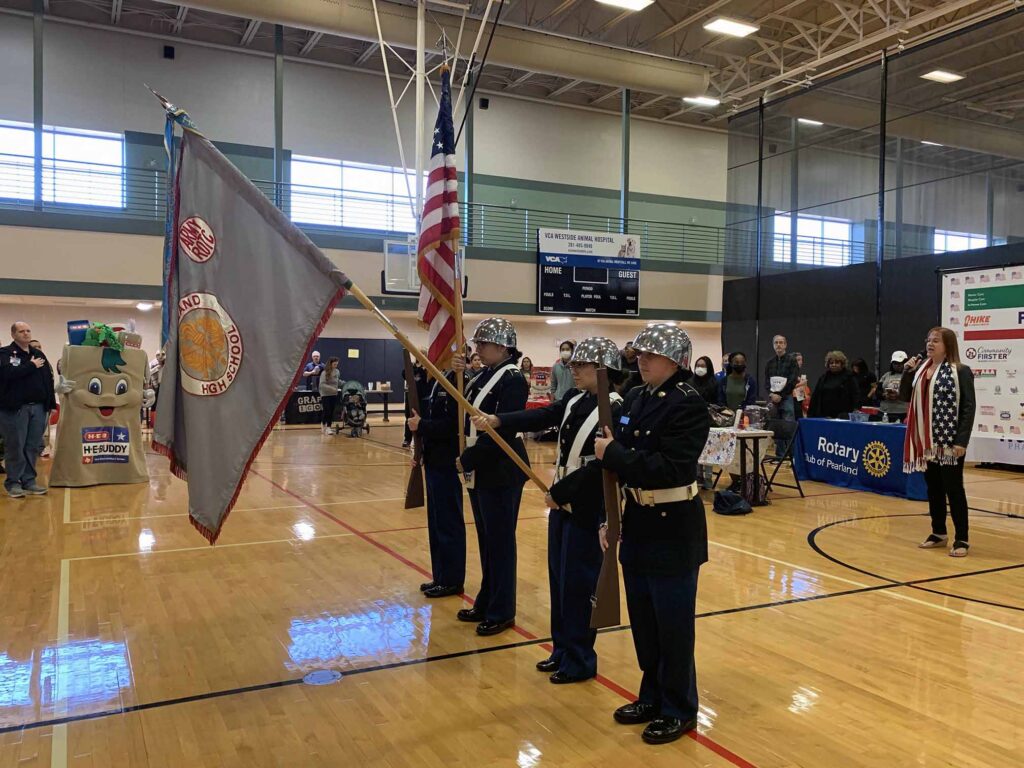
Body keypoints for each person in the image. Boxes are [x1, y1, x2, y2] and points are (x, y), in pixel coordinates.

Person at [475, 337, 626, 684]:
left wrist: (560, 492)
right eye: (572, 365)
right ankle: (561, 649)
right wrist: (500, 419)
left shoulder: (614, 407)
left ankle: (580, 658)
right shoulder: (575, 399)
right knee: (559, 581)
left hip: (588, 507)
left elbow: (601, 467)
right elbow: (544, 415)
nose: (572, 370)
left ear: (603, 369)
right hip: (562, 506)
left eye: (580, 366)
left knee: (579, 585)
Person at [594, 324, 710, 745]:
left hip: (673, 528)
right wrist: (612, 519)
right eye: (639, 353)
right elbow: (618, 464)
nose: (641, 360)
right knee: (644, 623)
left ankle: (679, 707)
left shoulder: (688, 403)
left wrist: (617, 454)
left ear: (676, 360)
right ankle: (652, 695)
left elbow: (670, 467)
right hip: (638, 524)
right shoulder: (639, 398)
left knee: (673, 626)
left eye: (651, 354)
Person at [454, 318, 530, 636]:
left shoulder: (512, 379)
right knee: (487, 541)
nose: (478, 349)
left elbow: (504, 429)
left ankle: (502, 609)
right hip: (482, 469)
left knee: (499, 542)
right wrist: (459, 373)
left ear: (502, 347)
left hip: (501, 469)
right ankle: (487, 599)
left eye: (483, 344)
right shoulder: (486, 374)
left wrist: (467, 459)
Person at [901, 328, 976, 557]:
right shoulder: (921, 370)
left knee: (954, 489)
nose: (930, 344)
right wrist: (907, 372)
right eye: (928, 340)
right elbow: (906, 395)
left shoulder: (961, 371)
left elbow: (968, 407)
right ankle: (938, 532)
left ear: (948, 345)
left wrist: (961, 440)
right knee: (933, 488)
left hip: (949, 441)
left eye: (936, 340)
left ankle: (961, 538)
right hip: (927, 441)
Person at [408, 364, 465, 598]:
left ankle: (452, 580)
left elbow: (454, 426)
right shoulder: (438, 379)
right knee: (437, 522)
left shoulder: (457, 381)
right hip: (433, 459)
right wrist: (418, 449)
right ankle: (441, 575)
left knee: (448, 522)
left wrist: (422, 425)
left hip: (447, 461)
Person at [0, 322, 55, 498]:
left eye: (28, 330)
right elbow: (6, 374)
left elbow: (48, 379)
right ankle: (13, 482)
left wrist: (51, 404)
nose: (26, 334)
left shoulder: (38, 354)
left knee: (32, 446)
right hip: (16, 409)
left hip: (38, 408)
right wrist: (30, 366)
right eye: (21, 331)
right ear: (13, 334)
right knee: (16, 445)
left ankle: (29, 481)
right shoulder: (6, 354)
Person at [764, 335, 799, 454]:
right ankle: (780, 454)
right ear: (773, 345)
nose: (778, 345)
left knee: (789, 425)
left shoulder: (792, 361)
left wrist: (781, 395)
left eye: (781, 342)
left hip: (786, 397)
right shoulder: (769, 363)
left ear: (785, 345)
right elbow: (766, 381)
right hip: (773, 399)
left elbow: (793, 380)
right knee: (776, 426)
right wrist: (771, 394)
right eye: (776, 343)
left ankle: (792, 455)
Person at [690, 356, 719, 490]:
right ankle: (696, 476)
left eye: (703, 365)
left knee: (708, 449)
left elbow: (718, 402)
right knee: (694, 449)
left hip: (709, 421)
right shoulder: (689, 383)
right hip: (692, 420)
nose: (700, 368)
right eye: (698, 365)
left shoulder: (714, 383)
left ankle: (708, 477)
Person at [807, 351, 860, 419]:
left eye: (837, 363)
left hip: (843, 415)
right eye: (831, 363)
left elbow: (856, 394)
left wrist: (855, 409)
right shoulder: (823, 378)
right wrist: (810, 414)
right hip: (824, 415)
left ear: (842, 364)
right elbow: (815, 396)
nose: (833, 365)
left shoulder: (849, 377)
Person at [28, 340, 56, 457]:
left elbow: (50, 383)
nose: (38, 348)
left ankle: (39, 448)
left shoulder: (46, 364)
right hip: (29, 403)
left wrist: (52, 403)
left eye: (39, 346)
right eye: (35, 347)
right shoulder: (27, 364)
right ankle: (34, 449)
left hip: (45, 401)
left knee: (40, 428)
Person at [879, 351, 909, 422]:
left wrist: (899, 395)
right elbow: (877, 392)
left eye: (901, 363)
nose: (898, 365)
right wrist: (884, 395)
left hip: (902, 412)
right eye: (895, 363)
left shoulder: (910, 376)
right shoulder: (886, 375)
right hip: (885, 412)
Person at [319, 357, 341, 435]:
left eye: (337, 364)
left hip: (334, 394)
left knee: (331, 411)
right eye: (334, 364)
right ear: (330, 364)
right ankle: (323, 423)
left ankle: (329, 427)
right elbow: (322, 385)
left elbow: (337, 381)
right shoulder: (324, 373)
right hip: (325, 394)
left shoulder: (337, 371)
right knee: (327, 410)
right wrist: (332, 389)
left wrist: (344, 384)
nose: (336, 366)